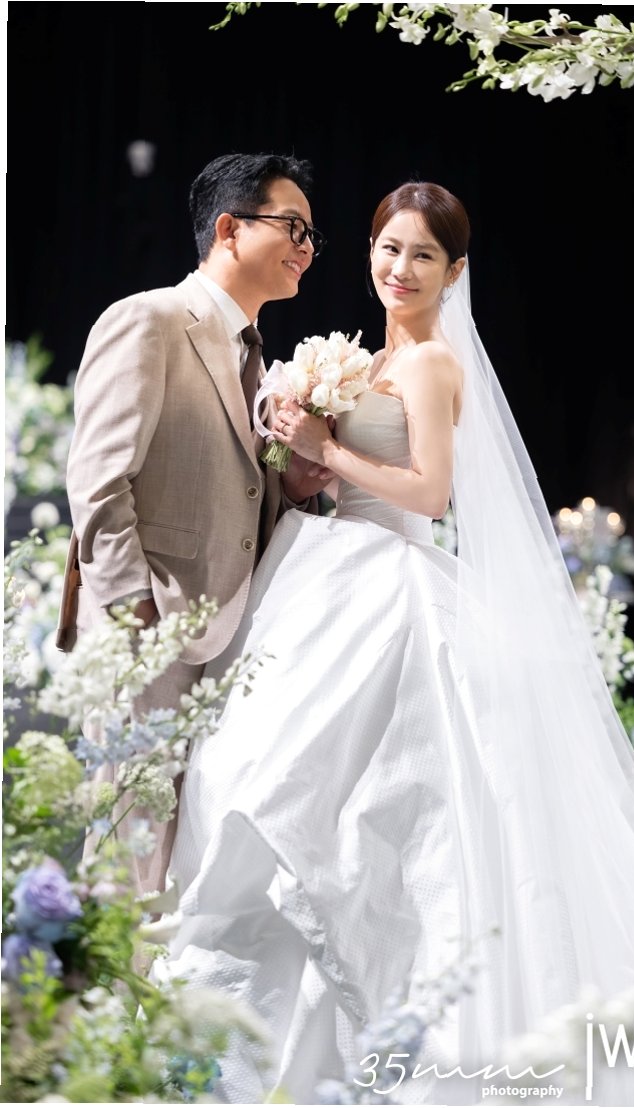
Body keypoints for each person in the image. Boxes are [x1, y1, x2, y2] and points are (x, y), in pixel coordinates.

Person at [154, 183, 634, 1106]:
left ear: (453, 272)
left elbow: (428, 492)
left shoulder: (428, 362)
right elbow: (346, 475)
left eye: (422, 254)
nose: (400, 267)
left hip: (388, 579)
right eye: (388, 247)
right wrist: (302, 456)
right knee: (272, 780)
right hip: (329, 571)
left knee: (343, 802)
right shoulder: (377, 355)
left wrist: (325, 447)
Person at [62, 152, 330, 898]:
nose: (307, 248)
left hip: (231, 636)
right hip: (152, 633)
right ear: (228, 229)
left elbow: (236, 492)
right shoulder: (148, 320)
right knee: (127, 853)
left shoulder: (256, 357)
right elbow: (98, 480)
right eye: (293, 227)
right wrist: (136, 613)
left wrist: (294, 488)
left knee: (189, 859)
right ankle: (101, 980)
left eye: (312, 235)